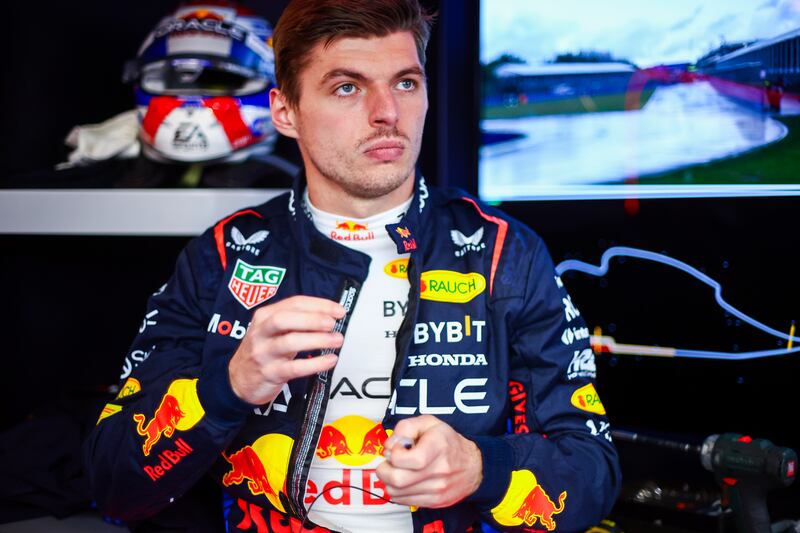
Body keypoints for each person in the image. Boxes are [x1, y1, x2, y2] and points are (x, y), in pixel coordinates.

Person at [85, 1, 621, 531]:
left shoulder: (505, 253)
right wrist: (227, 386)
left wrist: (483, 468)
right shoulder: (224, 256)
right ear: (285, 112)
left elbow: (593, 475)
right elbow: (113, 486)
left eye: (406, 83)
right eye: (348, 87)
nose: (387, 111)